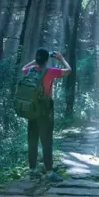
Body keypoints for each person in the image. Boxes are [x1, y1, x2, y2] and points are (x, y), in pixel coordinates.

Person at [21, 48, 71, 180]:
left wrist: (36, 61)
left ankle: (32, 170)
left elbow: (23, 68)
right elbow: (69, 70)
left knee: (32, 140)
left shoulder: (30, 70)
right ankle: (49, 172)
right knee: (46, 140)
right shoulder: (50, 72)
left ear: (37, 59)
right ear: (47, 60)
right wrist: (60, 58)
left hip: (31, 109)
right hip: (45, 109)